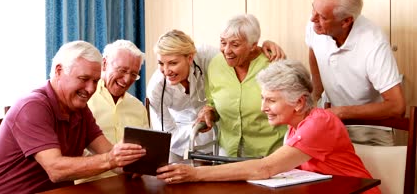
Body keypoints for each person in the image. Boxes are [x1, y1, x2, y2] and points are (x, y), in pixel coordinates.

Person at [156, 60, 380, 194]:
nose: (263, 108)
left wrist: (195, 174)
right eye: (263, 99)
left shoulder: (319, 123)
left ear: (299, 102)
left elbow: (265, 168)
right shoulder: (296, 125)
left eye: (271, 100)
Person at [0, 40, 146, 194]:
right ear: (59, 71)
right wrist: (111, 159)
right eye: (84, 79)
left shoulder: (80, 109)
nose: (90, 89)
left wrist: (130, 165)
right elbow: (55, 169)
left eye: (95, 81)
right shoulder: (32, 106)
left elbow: (108, 151)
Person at [147, 29, 285, 162]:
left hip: (215, 130)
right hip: (179, 138)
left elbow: (235, 57)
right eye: (160, 63)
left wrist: (262, 48)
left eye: (173, 63)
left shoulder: (206, 56)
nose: (166, 71)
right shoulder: (156, 89)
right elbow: (166, 135)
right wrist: (196, 132)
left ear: (190, 58)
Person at [306, 0, 406, 146]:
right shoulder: (316, 23)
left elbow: (397, 106)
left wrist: (342, 112)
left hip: (371, 130)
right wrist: (315, 95)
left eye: (322, 17)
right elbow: (313, 49)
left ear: (346, 21)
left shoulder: (373, 43)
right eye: (313, 9)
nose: (312, 19)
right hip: (334, 123)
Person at [196, 14, 286, 158]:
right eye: (223, 43)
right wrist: (209, 112)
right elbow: (213, 102)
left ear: (253, 45)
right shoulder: (215, 65)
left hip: (269, 153)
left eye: (235, 44)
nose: (227, 50)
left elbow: (288, 109)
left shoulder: (273, 66)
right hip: (228, 153)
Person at [76, 40, 149, 183]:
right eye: (122, 70)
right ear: (104, 64)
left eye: (134, 74)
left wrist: (142, 165)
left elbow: (145, 150)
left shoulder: (138, 107)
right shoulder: (82, 100)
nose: (127, 79)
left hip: (129, 184)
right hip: (88, 185)